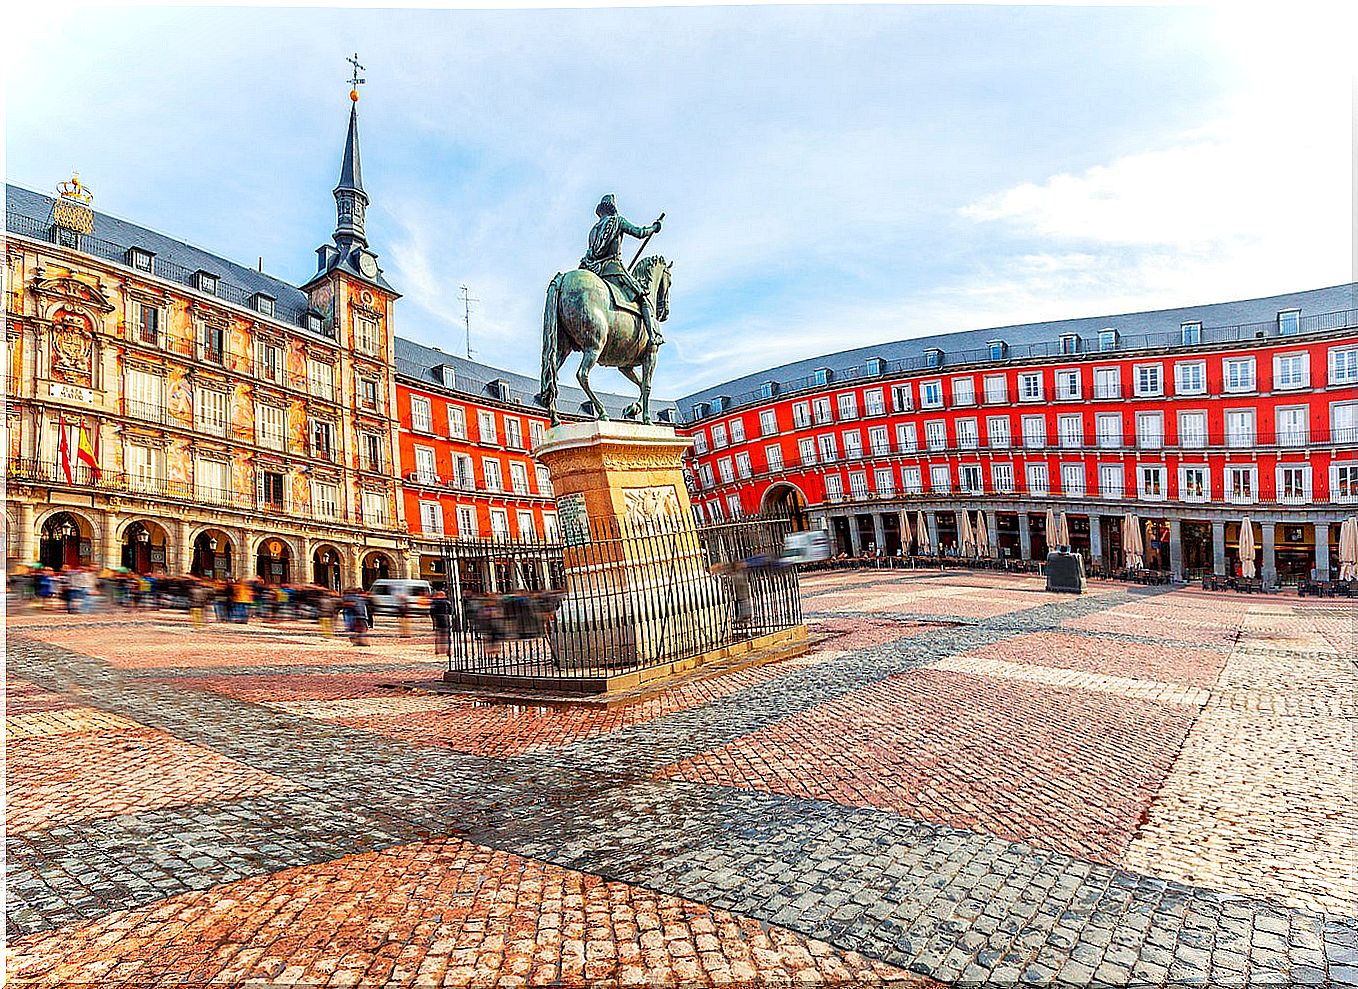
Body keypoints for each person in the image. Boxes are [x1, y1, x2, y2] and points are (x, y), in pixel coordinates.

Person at [580, 194, 665, 346]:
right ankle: (653, 336)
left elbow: (592, 252)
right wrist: (654, 227)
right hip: (613, 270)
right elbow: (639, 233)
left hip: (596, 272)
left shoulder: (593, 231)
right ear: (613, 208)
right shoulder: (618, 221)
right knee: (643, 296)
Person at [429, 590, 453, 656]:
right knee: (447, 637)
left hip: (438, 620)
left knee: (438, 636)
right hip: (446, 620)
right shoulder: (447, 602)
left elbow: (431, 612)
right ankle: (448, 651)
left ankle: (437, 650)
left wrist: (433, 621)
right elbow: (451, 611)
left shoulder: (433, 602)